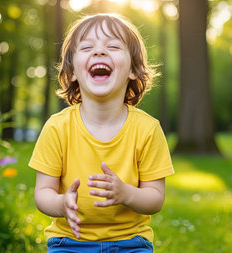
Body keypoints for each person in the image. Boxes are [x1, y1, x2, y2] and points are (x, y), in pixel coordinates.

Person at [29, 13, 174, 253]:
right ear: (73, 72)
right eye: (87, 47)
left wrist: (126, 193)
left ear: (134, 70)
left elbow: (155, 199)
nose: (99, 52)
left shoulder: (147, 129)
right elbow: (43, 193)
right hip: (68, 243)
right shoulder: (57, 127)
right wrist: (61, 203)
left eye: (113, 46)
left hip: (131, 243)